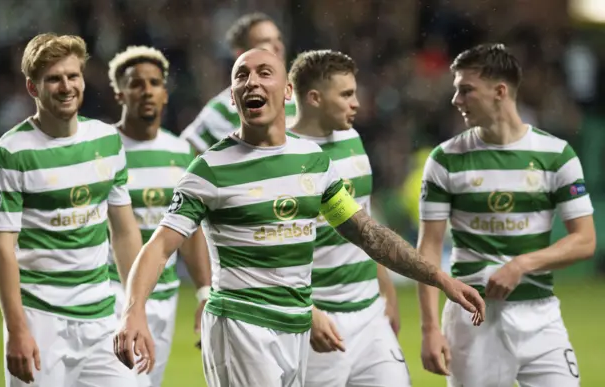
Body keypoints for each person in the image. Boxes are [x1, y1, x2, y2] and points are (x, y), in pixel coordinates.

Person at [114, 48, 485, 387]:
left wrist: (439, 277)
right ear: (232, 96)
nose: (252, 81)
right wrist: (133, 312)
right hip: (241, 327)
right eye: (241, 76)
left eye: (264, 73)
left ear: (287, 92)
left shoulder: (312, 161)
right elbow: (161, 245)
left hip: (296, 326)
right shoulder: (208, 169)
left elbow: (367, 233)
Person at [417, 43, 595, 387]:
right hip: (474, 319)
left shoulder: (556, 155)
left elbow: (585, 240)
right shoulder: (445, 159)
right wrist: (429, 328)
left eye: (466, 90)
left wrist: (521, 265)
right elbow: (429, 249)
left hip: (541, 316)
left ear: (500, 92)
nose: (456, 100)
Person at [0, 33, 141, 387]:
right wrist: (16, 329)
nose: (66, 86)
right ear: (32, 88)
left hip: (102, 318)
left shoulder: (106, 139)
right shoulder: (11, 153)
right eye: (54, 78)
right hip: (41, 321)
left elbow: (125, 230)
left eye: (73, 76)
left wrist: (135, 309)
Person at [287, 49, 411, 387]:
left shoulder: (352, 139)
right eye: (346, 94)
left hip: (370, 310)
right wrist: (306, 313)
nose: (356, 102)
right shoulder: (283, 156)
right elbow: (272, 253)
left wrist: (386, 290)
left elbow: (366, 223)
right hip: (319, 317)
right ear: (314, 98)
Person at [106, 45, 212, 387]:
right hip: (112, 294)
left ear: (165, 94)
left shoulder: (181, 152)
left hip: (166, 297)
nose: (147, 90)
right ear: (119, 94)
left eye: (154, 83)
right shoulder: (101, 148)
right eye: (136, 83)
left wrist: (204, 291)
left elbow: (191, 232)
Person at [179, 12, 297, 153]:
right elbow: (182, 155)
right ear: (241, 54)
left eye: (278, 39)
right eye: (266, 41)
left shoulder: (300, 97)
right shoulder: (223, 109)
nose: (278, 47)